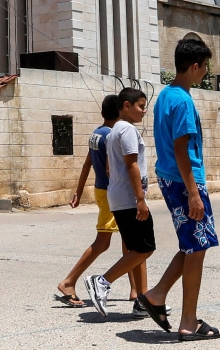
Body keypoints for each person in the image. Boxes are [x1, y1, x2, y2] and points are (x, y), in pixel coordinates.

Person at [137, 38, 220, 340]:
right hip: (186, 181)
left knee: (192, 246)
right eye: (205, 67)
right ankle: (188, 321)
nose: (206, 73)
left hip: (171, 178)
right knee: (197, 249)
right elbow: (181, 148)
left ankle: (157, 295)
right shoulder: (183, 101)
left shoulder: (165, 96)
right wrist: (195, 192)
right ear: (196, 65)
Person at [56, 95, 146, 315]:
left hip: (101, 190)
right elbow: (109, 168)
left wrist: (78, 191)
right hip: (112, 193)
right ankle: (69, 281)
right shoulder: (113, 134)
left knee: (129, 241)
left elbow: (88, 163)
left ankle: (136, 291)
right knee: (104, 241)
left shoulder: (97, 133)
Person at [85, 87, 155, 317]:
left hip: (120, 195)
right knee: (144, 248)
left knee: (137, 248)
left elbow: (108, 166)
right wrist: (141, 199)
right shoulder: (127, 130)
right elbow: (131, 164)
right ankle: (102, 282)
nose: (144, 111)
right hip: (129, 199)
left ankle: (142, 301)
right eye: (141, 106)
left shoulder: (115, 130)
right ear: (126, 106)